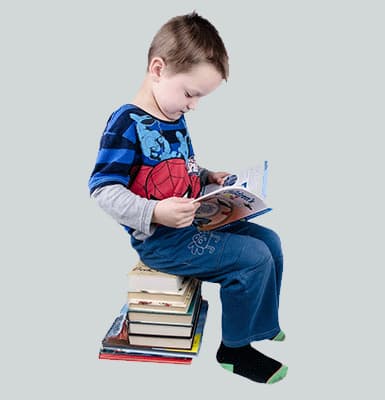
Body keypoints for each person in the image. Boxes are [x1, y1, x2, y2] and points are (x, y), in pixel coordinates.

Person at [88, 11, 287, 384]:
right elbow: (103, 189)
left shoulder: (172, 113)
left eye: (199, 97)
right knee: (252, 259)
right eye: (191, 93)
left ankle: (261, 324)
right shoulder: (125, 124)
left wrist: (207, 176)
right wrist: (154, 212)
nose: (193, 105)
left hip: (195, 219)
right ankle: (234, 349)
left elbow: (177, 167)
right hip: (163, 242)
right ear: (158, 69)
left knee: (271, 242)